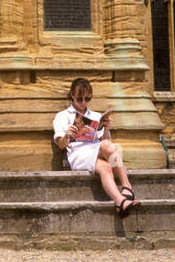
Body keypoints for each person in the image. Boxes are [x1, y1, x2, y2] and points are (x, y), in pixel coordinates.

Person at [52, 77, 138, 217]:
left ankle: (120, 202)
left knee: (106, 165)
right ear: (72, 95)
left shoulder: (95, 116)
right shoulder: (62, 116)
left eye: (87, 99)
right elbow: (61, 145)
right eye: (80, 99)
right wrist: (68, 135)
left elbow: (106, 143)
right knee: (107, 148)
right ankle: (127, 186)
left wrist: (105, 128)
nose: (83, 103)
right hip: (77, 153)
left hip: (95, 148)